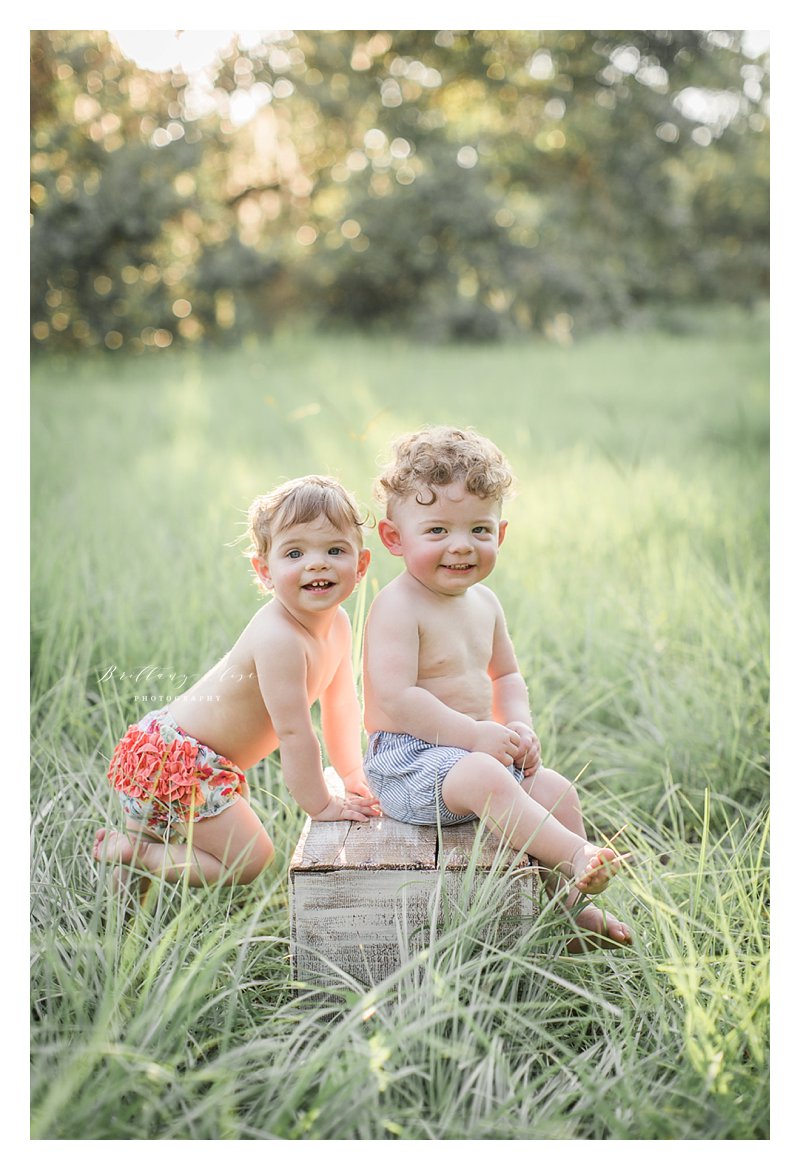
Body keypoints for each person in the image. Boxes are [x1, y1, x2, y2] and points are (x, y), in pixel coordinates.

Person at [361, 426, 631, 949]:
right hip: (408, 763)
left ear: (500, 535)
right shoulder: (397, 605)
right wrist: (474, 736)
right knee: (486, 773)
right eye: (437, 530)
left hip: (472, 752)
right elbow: (396, 698)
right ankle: (576, 855)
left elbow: (505, 676)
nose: (461, 545)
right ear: (394, 538)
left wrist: (518, 726)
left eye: (479, 530)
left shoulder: (485, 603)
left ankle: (571, 909)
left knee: (556, 789)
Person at [93, 475, 381, 890]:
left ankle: (123, 893)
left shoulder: (338, 623)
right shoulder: (280, 638)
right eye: (295, 552)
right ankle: (139, 855)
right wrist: (322, 805)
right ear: (265, 571)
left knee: (135, 882)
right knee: (249, 859)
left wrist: (351, 771)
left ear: (361, 565)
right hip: (180, 757)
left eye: (335, 550)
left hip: (161, 748)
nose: (317, 563)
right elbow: (295, 732)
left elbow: (340, 707)